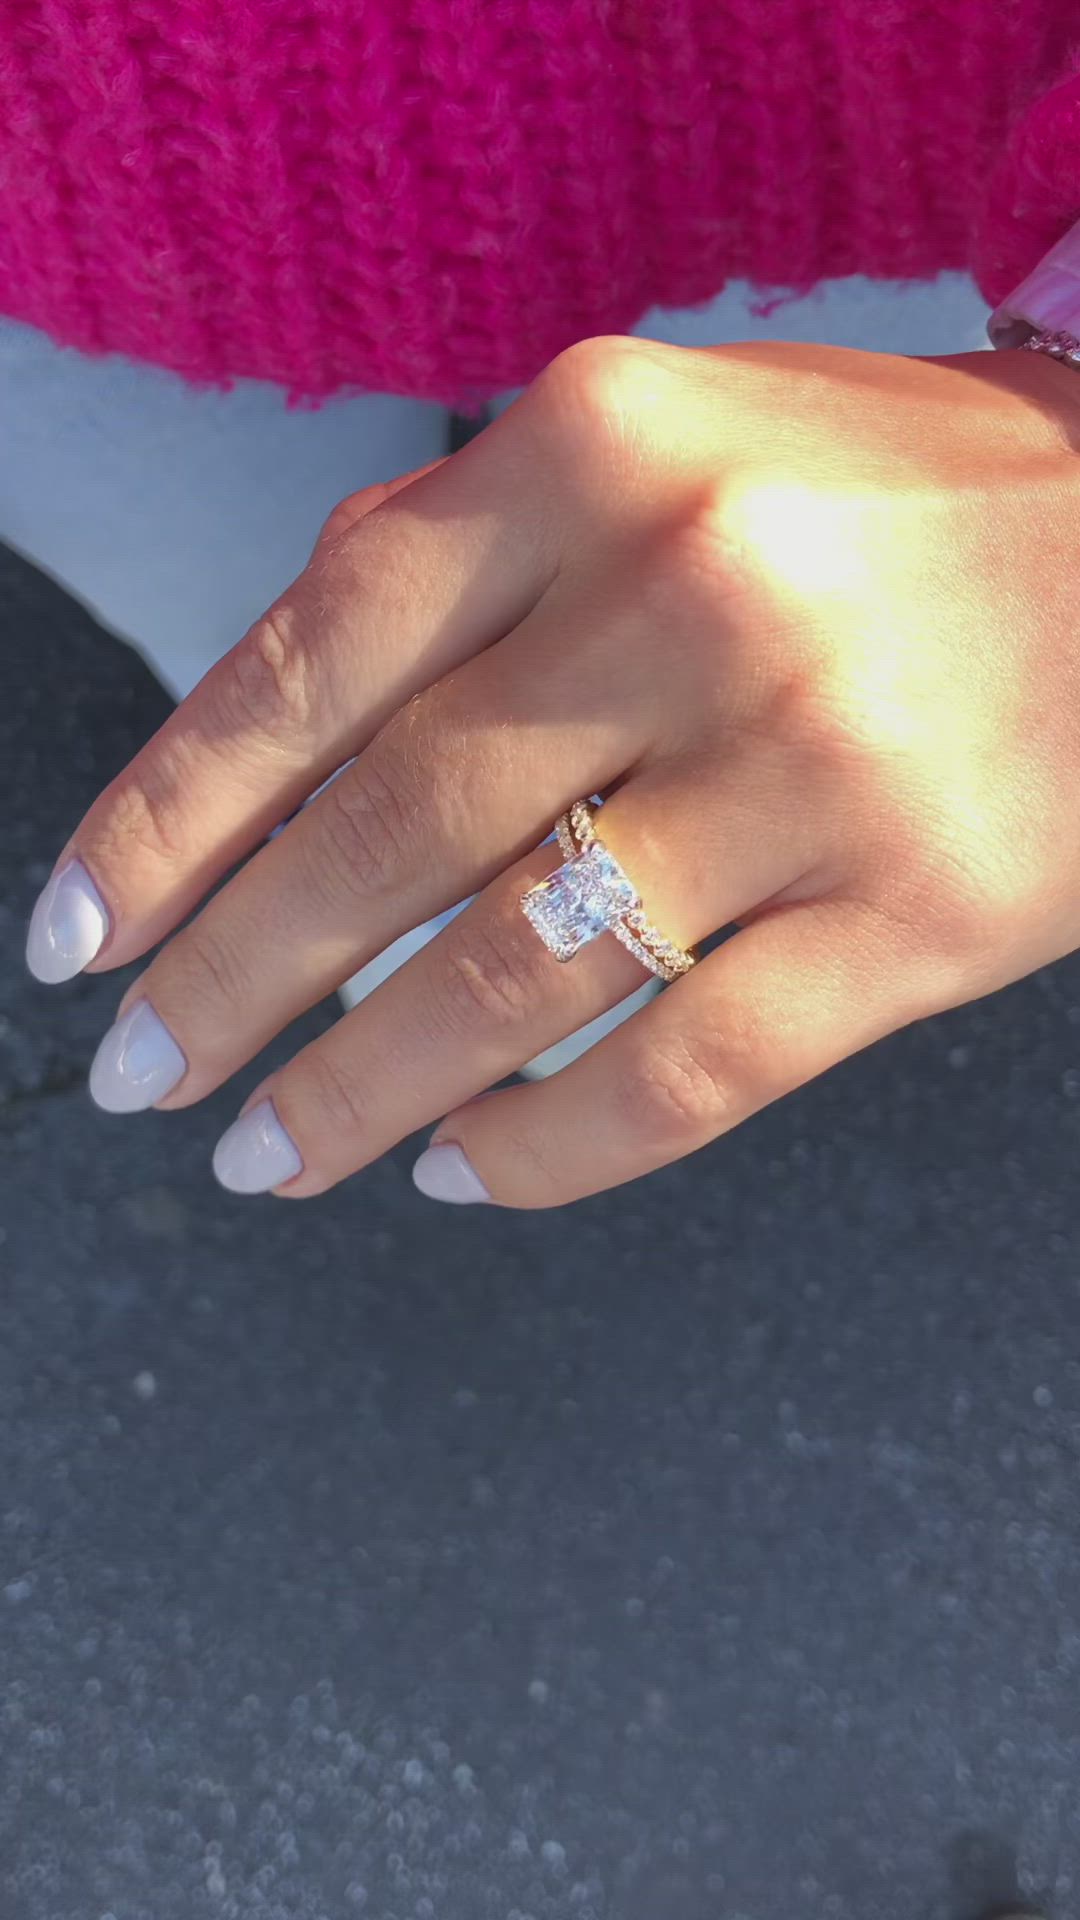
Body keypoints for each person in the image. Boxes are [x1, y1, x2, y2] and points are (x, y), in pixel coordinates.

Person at [14, 2, 1080, 1234]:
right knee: (257, 665)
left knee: (792, 692)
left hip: (891, 134)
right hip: (69, 230)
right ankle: (460, 940)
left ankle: (564, 947)